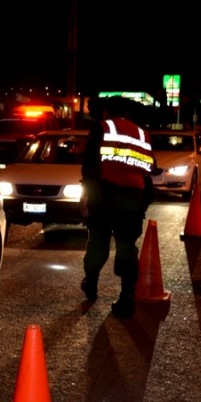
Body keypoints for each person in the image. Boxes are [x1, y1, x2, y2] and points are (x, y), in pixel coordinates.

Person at [79, 96, 156, 318]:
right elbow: (150, 166)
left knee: (98, 242)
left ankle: (91, 283)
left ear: (106, 111)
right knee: (126, 247)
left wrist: (88, 190)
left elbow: (90, 163)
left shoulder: (102, 127)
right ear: (127, 112)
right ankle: (126, 297)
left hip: (105, 195)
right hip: (133, 198)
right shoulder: (142, 133)